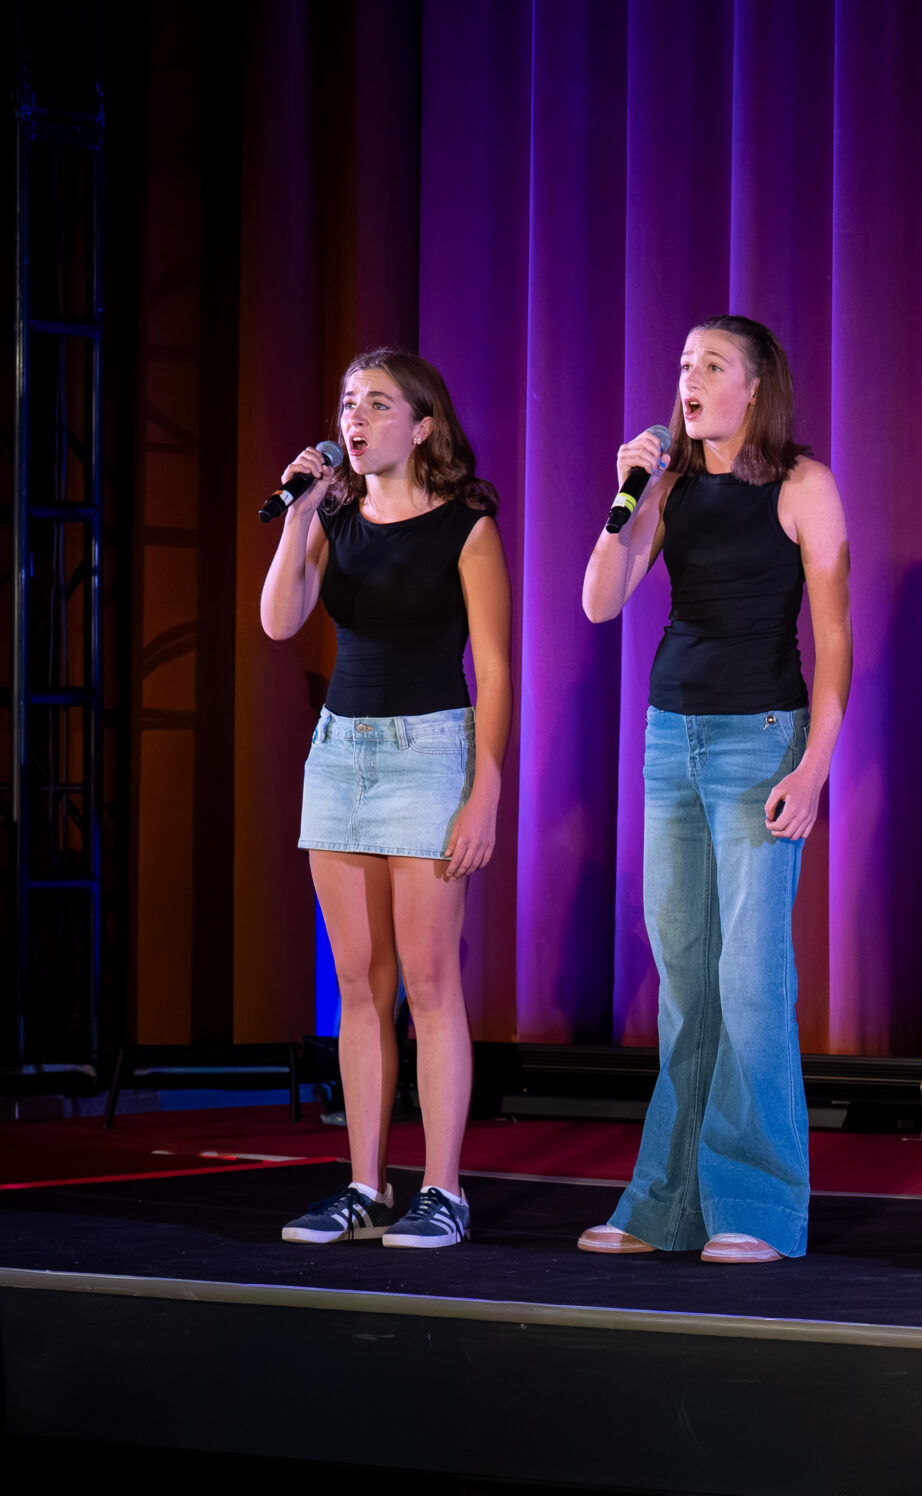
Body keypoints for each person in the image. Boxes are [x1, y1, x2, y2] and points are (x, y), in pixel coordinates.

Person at [576, 315, 851, 1264]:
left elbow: (835, 638)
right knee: (686, 984)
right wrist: (630, 494)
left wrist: (815, 763)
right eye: (683, 362)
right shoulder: (668, 483)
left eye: (711, 365)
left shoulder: (803, 484)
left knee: (752, 982)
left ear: (755, 386)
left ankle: (759, 1210)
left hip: (761, 741)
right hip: (670, 741)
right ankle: (664, 1205)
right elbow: (599, 600)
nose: (689, 379)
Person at [262, 349, 511, 1251]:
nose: (355, 418)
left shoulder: (467, 527)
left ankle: (443, 1192)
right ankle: (365, 1183)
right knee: (358, 988)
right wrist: (298, 516)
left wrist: (486, 788)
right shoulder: (330, 514)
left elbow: (495, 668)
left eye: (375, 404)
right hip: (339, 755)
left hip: (428, 752)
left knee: (431, 982)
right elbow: (280, 619)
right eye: (346, 404)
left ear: (423, 424)